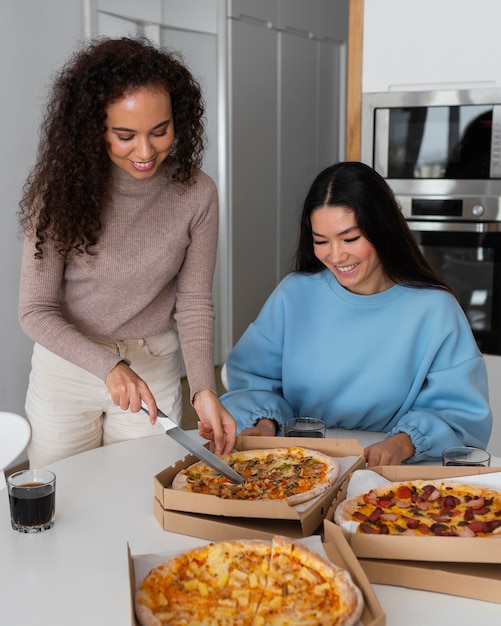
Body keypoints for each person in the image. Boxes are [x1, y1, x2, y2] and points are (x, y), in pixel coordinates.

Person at [18, 36, 236, 467]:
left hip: (152, 367)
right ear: (93, 127)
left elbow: (193, 302)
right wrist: (108, 366)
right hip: (67, 368)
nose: (145, 151)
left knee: (141, 496)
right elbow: (35, 310)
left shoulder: (197, 193)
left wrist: (203, 389)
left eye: (160, 131)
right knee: (65, 501)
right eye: (125, 135)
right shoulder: (59, 193)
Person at [216, 161, 492, 467]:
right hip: (294, 461)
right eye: (321, 241)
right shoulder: (293, 295)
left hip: (388, 471)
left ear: (382, 229)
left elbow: (460, 415)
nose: (335, 255)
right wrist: (266, 424)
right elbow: (252, 378)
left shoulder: (434, 309)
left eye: (350, 239)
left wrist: (402, 444)